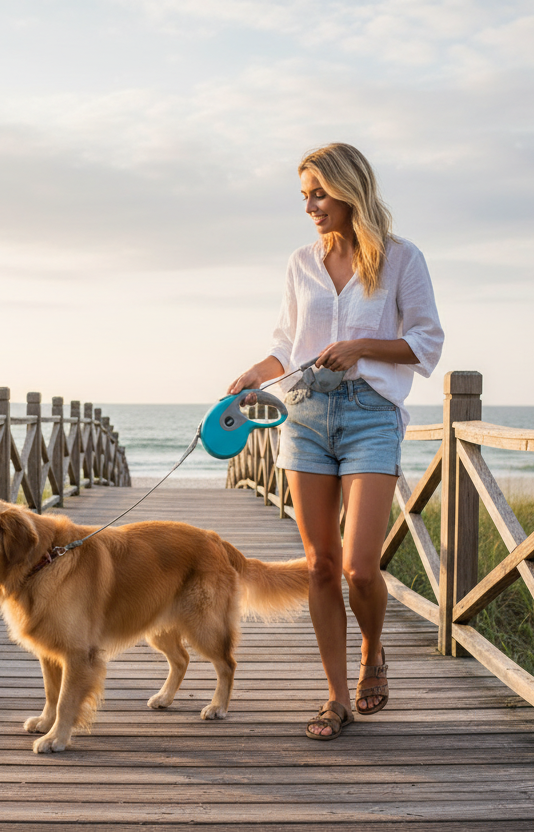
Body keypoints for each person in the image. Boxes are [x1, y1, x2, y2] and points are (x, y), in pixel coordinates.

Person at [228, 143, 443, 740]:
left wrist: (362, 347)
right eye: (304, 196)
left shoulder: (401, 259)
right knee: (321, 565)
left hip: (371, 415)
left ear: (351, 190)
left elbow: (426, 341)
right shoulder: (300, 262)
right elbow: (285, 346)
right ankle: (335, 698)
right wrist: (252, 375)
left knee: (359, 566)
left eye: (319, 193)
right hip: (304, 415)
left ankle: (374, 650)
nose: (311, 207)